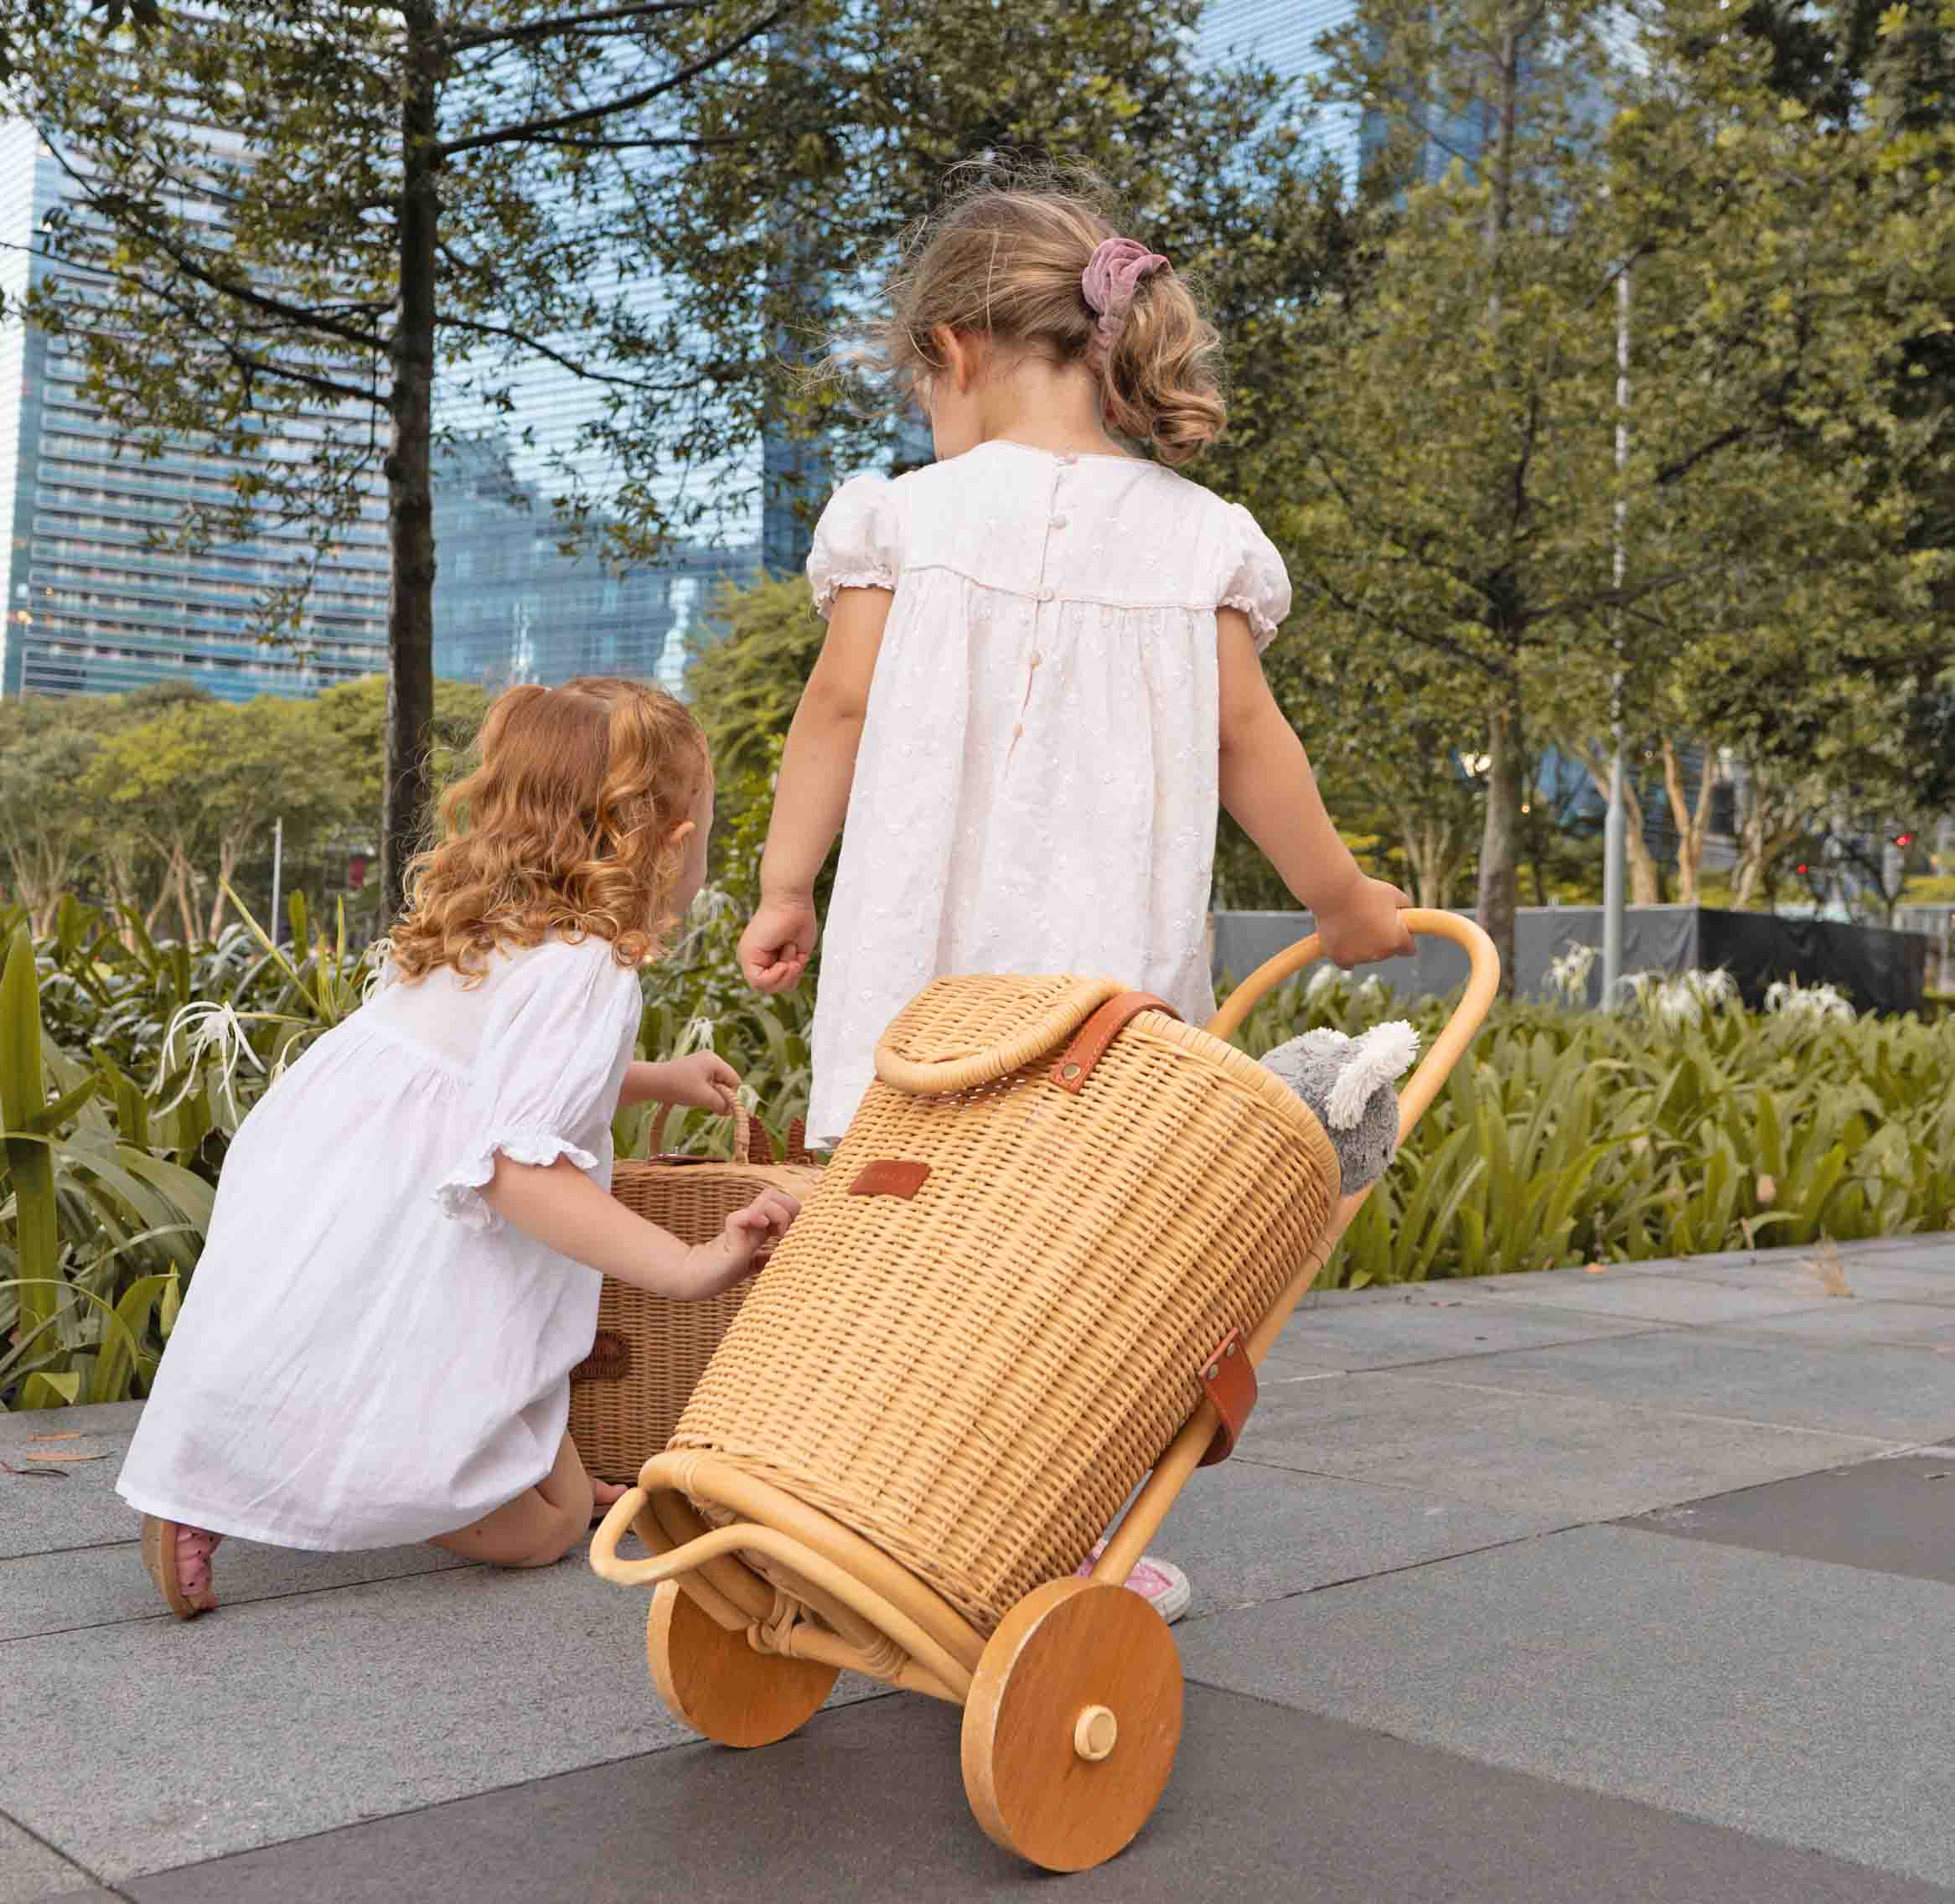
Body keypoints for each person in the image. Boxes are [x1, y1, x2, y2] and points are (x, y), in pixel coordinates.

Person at [737, 173, 1415, 1625]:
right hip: (1096, 1001)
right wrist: (1345, 901)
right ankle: (1060, 1536)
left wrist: (786, 882)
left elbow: (838, 707)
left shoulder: (899, 520)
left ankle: (851, 1495)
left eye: (923, 377)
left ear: (961, 348)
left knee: (896, 1242)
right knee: (1078, 1276)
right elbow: (1250, 747)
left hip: (922, 987)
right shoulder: (1195, 537)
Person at [120, 679, 798, 1620]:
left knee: (487, 1444)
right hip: (422, 1193)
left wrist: (652, 1075)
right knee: (546, 1526)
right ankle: (312, 1476)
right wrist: (685, 1265)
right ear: (673, 845)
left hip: (331, 1149)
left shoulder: (484, 923)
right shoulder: (591, 967)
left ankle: (222, 1474)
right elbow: (517, 1167)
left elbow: (480, 1066)